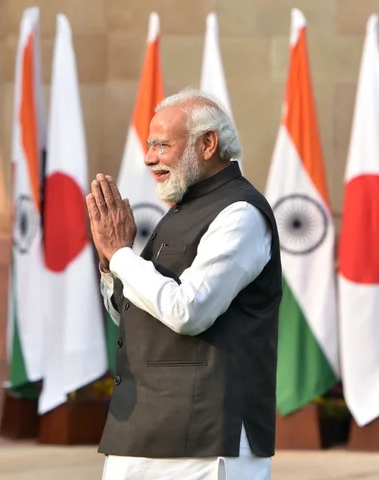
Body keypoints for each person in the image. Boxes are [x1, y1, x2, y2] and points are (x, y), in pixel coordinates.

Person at [86, 87, 282, 480]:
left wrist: (123, 255)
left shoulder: (240, 213)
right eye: (148, 145)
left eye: (162, 145)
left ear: (208, 144)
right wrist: (110, 268)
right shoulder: (183, 209)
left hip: (206, 439)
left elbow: (189, 312)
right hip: (141, 432)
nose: (149, 157)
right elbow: (136, 319)